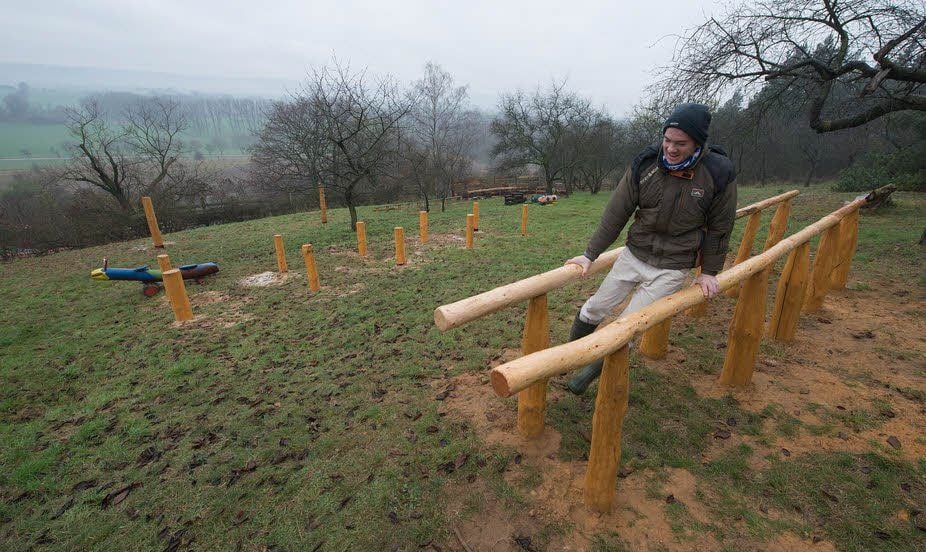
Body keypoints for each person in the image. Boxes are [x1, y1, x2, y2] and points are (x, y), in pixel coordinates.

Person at [563, 103, 737, 395]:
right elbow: (616, 211)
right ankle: (568, 358)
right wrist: (590, 254)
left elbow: (721, 226)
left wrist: (709, 271)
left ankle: (586, 376)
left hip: (673, 266)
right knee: (594, 307)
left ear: (697, 143)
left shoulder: (718, 173)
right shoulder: (646, 164)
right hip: (634, 254)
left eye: (680, 143)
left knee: (627, 326)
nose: (671, 148)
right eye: (667, 140)